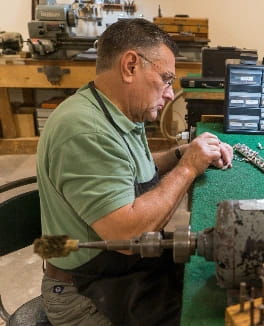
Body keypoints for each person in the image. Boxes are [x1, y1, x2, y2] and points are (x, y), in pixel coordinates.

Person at [36, 18, 233, 325]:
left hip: (124, 271)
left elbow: (130, 170)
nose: (170, 94)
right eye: (166, 79)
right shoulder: (83, 130)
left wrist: (181, 152)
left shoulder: (117, 111)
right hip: (84, 292)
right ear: (130, 66)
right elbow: (129, 236)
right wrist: (189, 167)